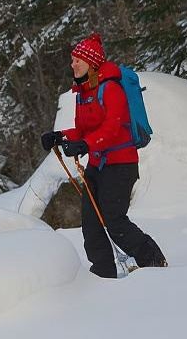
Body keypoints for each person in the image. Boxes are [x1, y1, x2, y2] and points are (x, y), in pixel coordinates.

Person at [40, 33, 167, 277]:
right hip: (97, 165)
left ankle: (153, 261)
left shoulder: (111, 89)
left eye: (77, 60)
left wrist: (85, 145)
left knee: (114, 221)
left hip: (121, 165)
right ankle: (103, 274)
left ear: (91, 63)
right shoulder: (83, 93)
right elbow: (82, 129)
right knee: (91, 223)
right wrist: (60, 136)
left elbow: (113, 127)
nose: (73, 64)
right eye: (72, 60)